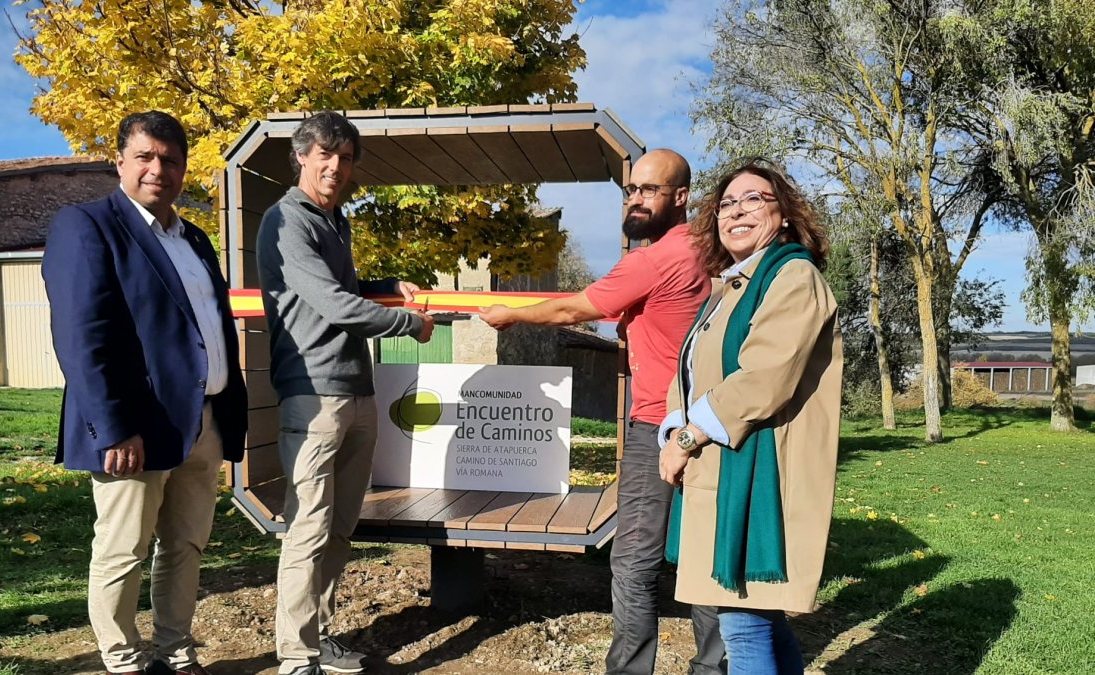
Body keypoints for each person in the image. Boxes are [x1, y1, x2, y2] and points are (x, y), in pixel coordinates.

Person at [479, 149, 725, 675]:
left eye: (649, 190)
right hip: (706, 423)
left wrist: (511, 314)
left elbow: (577, 307)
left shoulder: (653, 260)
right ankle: (714, 667)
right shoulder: (705, 252)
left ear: (681, 197)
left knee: (634, 558)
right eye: (630, 190)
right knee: (703, 552)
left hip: (658, 424)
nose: (635, 200)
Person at [43, 110, 248, 675]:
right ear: (120, 163)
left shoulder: (194, 238)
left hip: (203, 421)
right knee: (122, 550)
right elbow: (82, 337)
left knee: (185, 546)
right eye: (145, 157)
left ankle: (175, 653)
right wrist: (113, 428)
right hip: (134, 429)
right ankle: (124, 661)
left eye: (171, 160)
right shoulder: (87, 226)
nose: (158, 169)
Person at [256, 111, 434, 675]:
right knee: (308, 528)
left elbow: (344, 288)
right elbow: (333, 304)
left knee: (338, 529)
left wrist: (388, 286)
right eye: (325, 155)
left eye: (346, 157)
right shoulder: (287, 219)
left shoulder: (334, 220)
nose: (335, 166)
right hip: (313, 396)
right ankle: (296, 656)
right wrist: (409, 324)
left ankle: (321, 637)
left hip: (357, 391)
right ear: (301, 157)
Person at [658, 159, 842, 674]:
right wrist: (674, 429)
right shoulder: (728, 289)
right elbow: (692, 374)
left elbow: (765, 377)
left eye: (754, 199)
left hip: (765, 473)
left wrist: (687, 438)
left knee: (742, 619)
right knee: (756, 614)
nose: (737, 211)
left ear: (784, 214)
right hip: (725, 464)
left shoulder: (793, 276)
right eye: (726, 204)